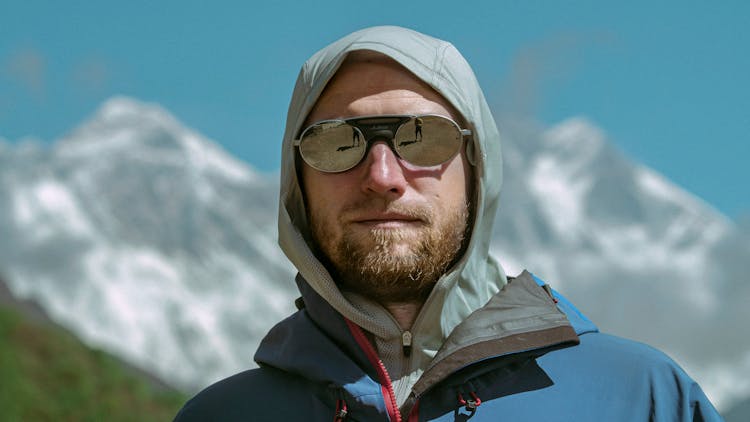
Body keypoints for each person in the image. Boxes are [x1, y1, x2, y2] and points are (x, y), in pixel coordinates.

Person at [174, 26, 720, 421]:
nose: (382, 175)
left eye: (422, 137)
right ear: (297, 182)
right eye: (338, 143)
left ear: (478, 169)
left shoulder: (641, 398)